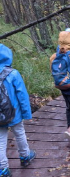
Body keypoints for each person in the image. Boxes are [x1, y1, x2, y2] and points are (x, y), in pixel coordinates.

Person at [0, 44, 36, 176]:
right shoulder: (13, 73)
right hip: (14, 112)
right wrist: (27, 113)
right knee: (19, 133)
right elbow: (22, 95)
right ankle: (25, 156)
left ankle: (3, 168)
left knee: (0, 140)